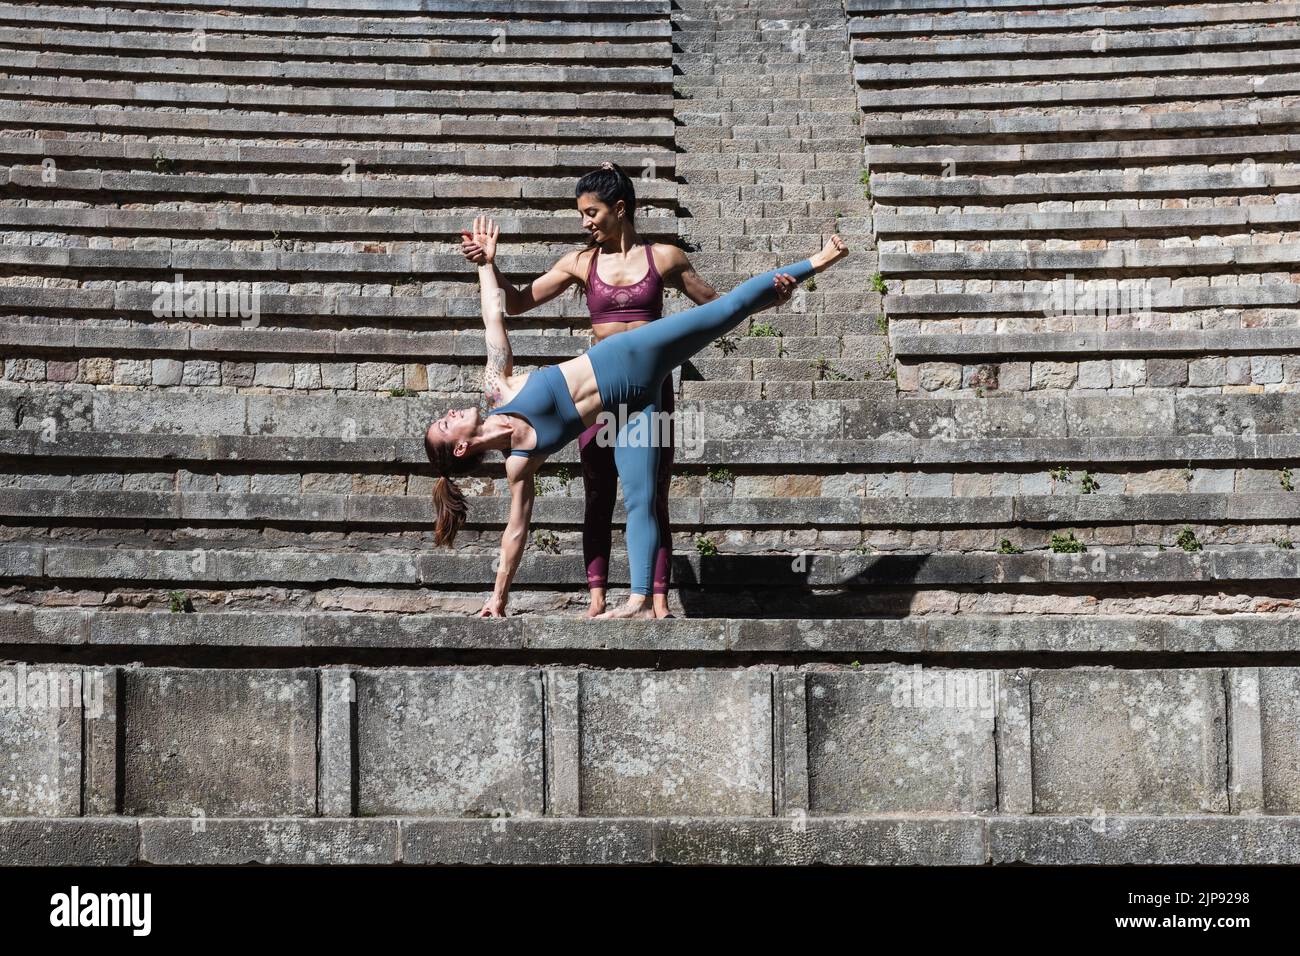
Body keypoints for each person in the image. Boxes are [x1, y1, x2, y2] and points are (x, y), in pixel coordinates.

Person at [427, 216, 849, 620]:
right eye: (445, 425)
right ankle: (640, 600)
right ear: (461, 447)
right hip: (632, 405)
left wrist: (486, 264)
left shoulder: (498, 387)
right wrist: (497, 598)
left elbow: (493, 319)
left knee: (723, 315)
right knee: (640, 498)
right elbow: (515, 533)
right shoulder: (520, 461)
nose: (449, 413)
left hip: (632, 355)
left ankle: (818, 260)